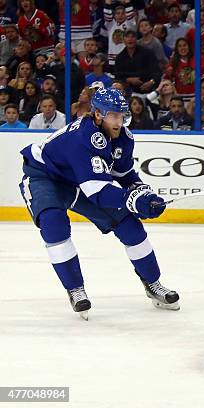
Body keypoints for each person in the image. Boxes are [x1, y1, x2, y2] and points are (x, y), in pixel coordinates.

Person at [18, 87, 178, 319]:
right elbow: (96, 192)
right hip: (46, 176)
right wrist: (132, 200)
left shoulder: (123, 136)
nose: (119, 122)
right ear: (98, 114)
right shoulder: (82, 138)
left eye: (121, 116)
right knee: (54, 223)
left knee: (129, 225)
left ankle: (154, 284)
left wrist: (144, 194)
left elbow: (124, 175)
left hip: (80, 181)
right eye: (113, 116)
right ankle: (75, 289)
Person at [114, 29, 161, 95]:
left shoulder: (148, 53)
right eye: (127, 36)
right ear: (123, 40)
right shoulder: (119, 57)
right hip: (127, 92)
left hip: (148, 91)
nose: (130, 39)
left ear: (136, 39)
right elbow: (117, 77)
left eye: (133, 36)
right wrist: (128, 80)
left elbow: (157, 72)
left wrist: (151, 82)